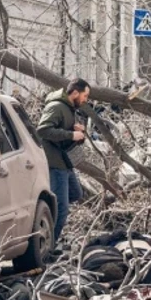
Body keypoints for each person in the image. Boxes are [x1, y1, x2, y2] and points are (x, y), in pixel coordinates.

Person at [37, 78, 90, 242]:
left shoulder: (69, 108)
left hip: (65, 163)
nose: (85, 100)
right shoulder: (56, 107)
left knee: (76, 193)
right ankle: (49, 246)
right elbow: (43, 130)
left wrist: (76, 133)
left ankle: (48, 228)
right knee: (61, 209)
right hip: (55, 164)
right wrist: (71, 134)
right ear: (75, 93)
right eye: (85, 96)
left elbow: (63, 133)